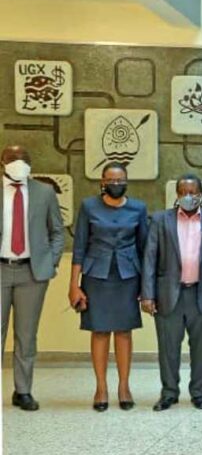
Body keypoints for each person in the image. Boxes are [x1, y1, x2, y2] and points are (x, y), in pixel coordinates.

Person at [68, 162, 148, 412]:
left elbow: (145, 249)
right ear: (102, 182)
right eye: (110, 180)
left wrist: (147, 287)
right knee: (100, 331)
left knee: (124, 331)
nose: (116, 184)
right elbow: (79, 246)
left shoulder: (139, 208)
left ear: (126, 181)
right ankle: (101, 387)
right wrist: (73, 285)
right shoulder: (89, 206)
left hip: (128, 276)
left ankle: (124, 386)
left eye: (120, 180)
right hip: (96, 276)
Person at [142, 174, 202, 411]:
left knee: (201, 348)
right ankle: (169, 393)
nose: (188, 197)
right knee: (168, 348)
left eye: (193, 192)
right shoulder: (160, 220)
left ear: (201, 194)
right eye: (183, 192)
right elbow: (149, 258)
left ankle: (199, 393)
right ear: (176, 195)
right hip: (169, 294)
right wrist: (147, 294)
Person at [1, 146, 65, 411]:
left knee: (26, 336)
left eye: (24, 159)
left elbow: (57, 231)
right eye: (13, 159)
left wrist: (49, 262)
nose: (19, 163)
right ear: (2, 162)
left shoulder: (44, 192)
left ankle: (23, 391)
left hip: (32, 273)